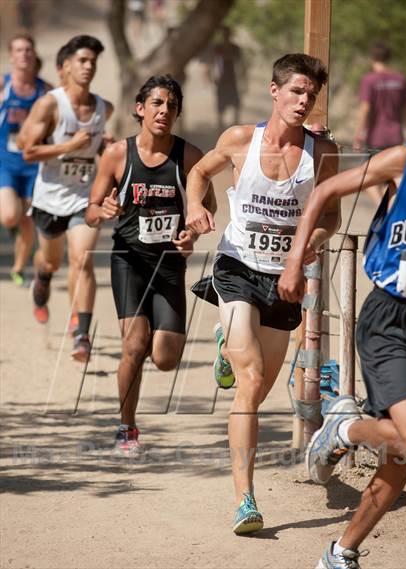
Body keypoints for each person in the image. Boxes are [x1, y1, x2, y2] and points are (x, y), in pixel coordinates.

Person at [185, 53, 340, 534]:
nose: (303, 100)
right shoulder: (239, 140)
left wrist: (310, 243)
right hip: (235, 267)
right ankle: (245, 500)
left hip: (285, 281)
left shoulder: (322, 152)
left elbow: (330, 216)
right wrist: (194, 206)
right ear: (274, 91)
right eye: (296, 91)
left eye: (310, 95)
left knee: (258, 389)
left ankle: (227, 349)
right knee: (250, 380)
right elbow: (197, 174)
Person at [278, 143, 406, 568]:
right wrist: (293, 260)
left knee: (402, 455)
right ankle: (346, 428)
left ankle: (340, 553)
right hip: (390, 321)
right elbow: (324, 192)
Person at [85, 74, 216, 455]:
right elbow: (91, 209)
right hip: (129, 260)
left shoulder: (188, 157)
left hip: (169, 265)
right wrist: (102, 209)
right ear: (140, 109)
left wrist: (192, 232)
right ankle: (127, 428)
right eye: (157, 103)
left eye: (171, 106)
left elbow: (207, 208)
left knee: (165, 358)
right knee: (134, 344)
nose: (164, 111)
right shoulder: (117, 155)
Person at [18, 35, 113, 362]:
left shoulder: (104, 108)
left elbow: (101, 145)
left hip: (83, 198)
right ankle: (41, 278)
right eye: (83, 60)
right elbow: (28, 150)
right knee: (52, 261)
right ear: (66, 66)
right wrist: (68, 147)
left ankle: (81, 333)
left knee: (83, 259)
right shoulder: (49, 104)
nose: (89, 66)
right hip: (48, 200)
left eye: (93, 61)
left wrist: (105, 147)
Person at [0, 33, 50, 287]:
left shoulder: (45, 90)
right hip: (5, 163)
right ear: (11, 55)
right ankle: (11, 220)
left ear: (34, 54)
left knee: (28, 220)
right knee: (10, 217)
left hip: (33, 166)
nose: (23, 54)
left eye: (28, 49)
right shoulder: (3, 85)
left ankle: (19, 268)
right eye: (18, 50)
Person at [353, 42, 406, 206]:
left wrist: (359, 133)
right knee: (391, 179)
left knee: (366, 177)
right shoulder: (401, 79)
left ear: (372, 58)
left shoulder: (369, 80)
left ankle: (384, 210)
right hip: (396, 136)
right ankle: (391, 210)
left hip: (376, 137)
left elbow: (365, 108)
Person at [205, 26, 246, 130]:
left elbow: (241, 65)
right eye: (224, 34)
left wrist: (243, 80)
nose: (225, 36)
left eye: (227, 34)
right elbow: (211, 62)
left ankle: (235, 126)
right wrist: (211, 76)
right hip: (221, 80)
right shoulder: (217, 48)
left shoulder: (235, 48)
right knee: (221, 105)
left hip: (232, 79)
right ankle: (220, 128)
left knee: (235, 104)